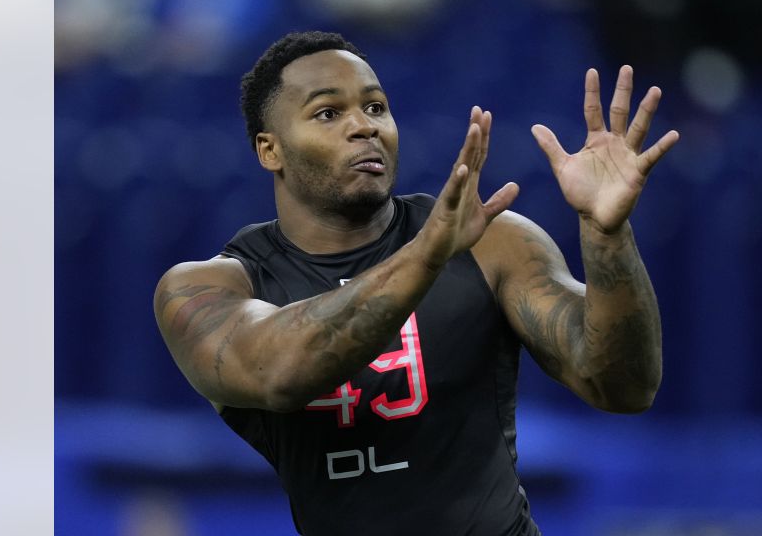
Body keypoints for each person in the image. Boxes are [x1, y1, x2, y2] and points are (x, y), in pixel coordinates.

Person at [152, 30, 679, 535]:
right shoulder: (205, 289)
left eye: (376, 107)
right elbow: (282, 373)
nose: (364, 126)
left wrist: (606, 234)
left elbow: (622, 387)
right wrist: (427, 254)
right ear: (271, 151)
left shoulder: (490, 243)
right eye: (328, 113)